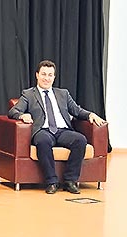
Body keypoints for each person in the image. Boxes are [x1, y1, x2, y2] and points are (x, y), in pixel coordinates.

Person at [8, 60, 106, 194]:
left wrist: (90, 115)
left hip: (62, 130)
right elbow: (13, 111)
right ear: (37, 75)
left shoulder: (63, 94)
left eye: (49, 75)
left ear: (54, 77)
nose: (46, 78)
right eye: (43, 74)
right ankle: (51, 181)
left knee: (80, 140)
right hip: (42, 130)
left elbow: (76, 111)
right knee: (43, 141)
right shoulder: (29, 94)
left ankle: (70, 181)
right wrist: (22, 116)